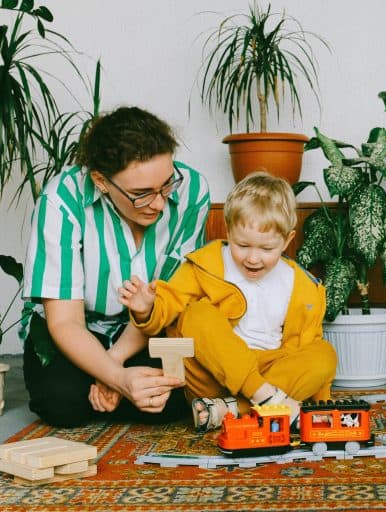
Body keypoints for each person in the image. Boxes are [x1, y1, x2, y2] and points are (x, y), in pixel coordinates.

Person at [21, 106, 211, 427]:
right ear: (101, 181)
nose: (160, 203)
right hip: (76, 331)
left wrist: (114, 366)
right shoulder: (60, 201)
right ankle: (114, 391)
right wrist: (119, 379)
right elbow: (65, 322)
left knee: (171, 402)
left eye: (166, 184)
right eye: (141, 194)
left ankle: (114, 389)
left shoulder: (192, 190)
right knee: (63, 405)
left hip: (150, 326)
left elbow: (169, 299)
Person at [117, 171, 336, 432]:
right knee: (197, 313)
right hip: (213, 373)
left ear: (287, 240)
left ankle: (230, 409)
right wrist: (147, 308)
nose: (253, 258)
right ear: (228, 230)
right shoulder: (206, 264)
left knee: (324, 355)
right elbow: (170, 303)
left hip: (272, 371)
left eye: (266, 249)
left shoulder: (303, 286)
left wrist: (323, 406)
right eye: (242, 245)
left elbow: (309, 342)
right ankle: (264, 398)